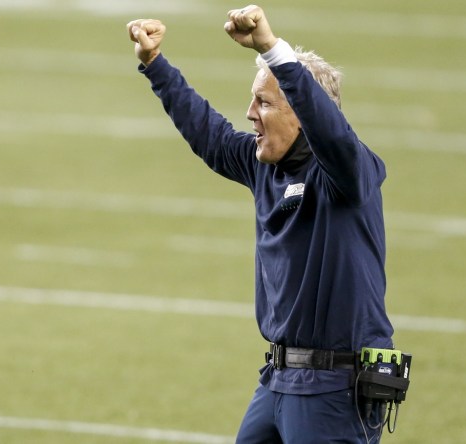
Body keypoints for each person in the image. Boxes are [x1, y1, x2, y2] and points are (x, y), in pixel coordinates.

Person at [127, 5, 394, 443]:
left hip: (335, 387)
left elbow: (332, 132)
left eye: (264, 102)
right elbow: (208, 133)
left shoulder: (348, 174)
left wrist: (272, 49)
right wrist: (154, 64)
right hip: (277, 379)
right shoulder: (264, 166)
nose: (250, 112)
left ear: (304, 114)